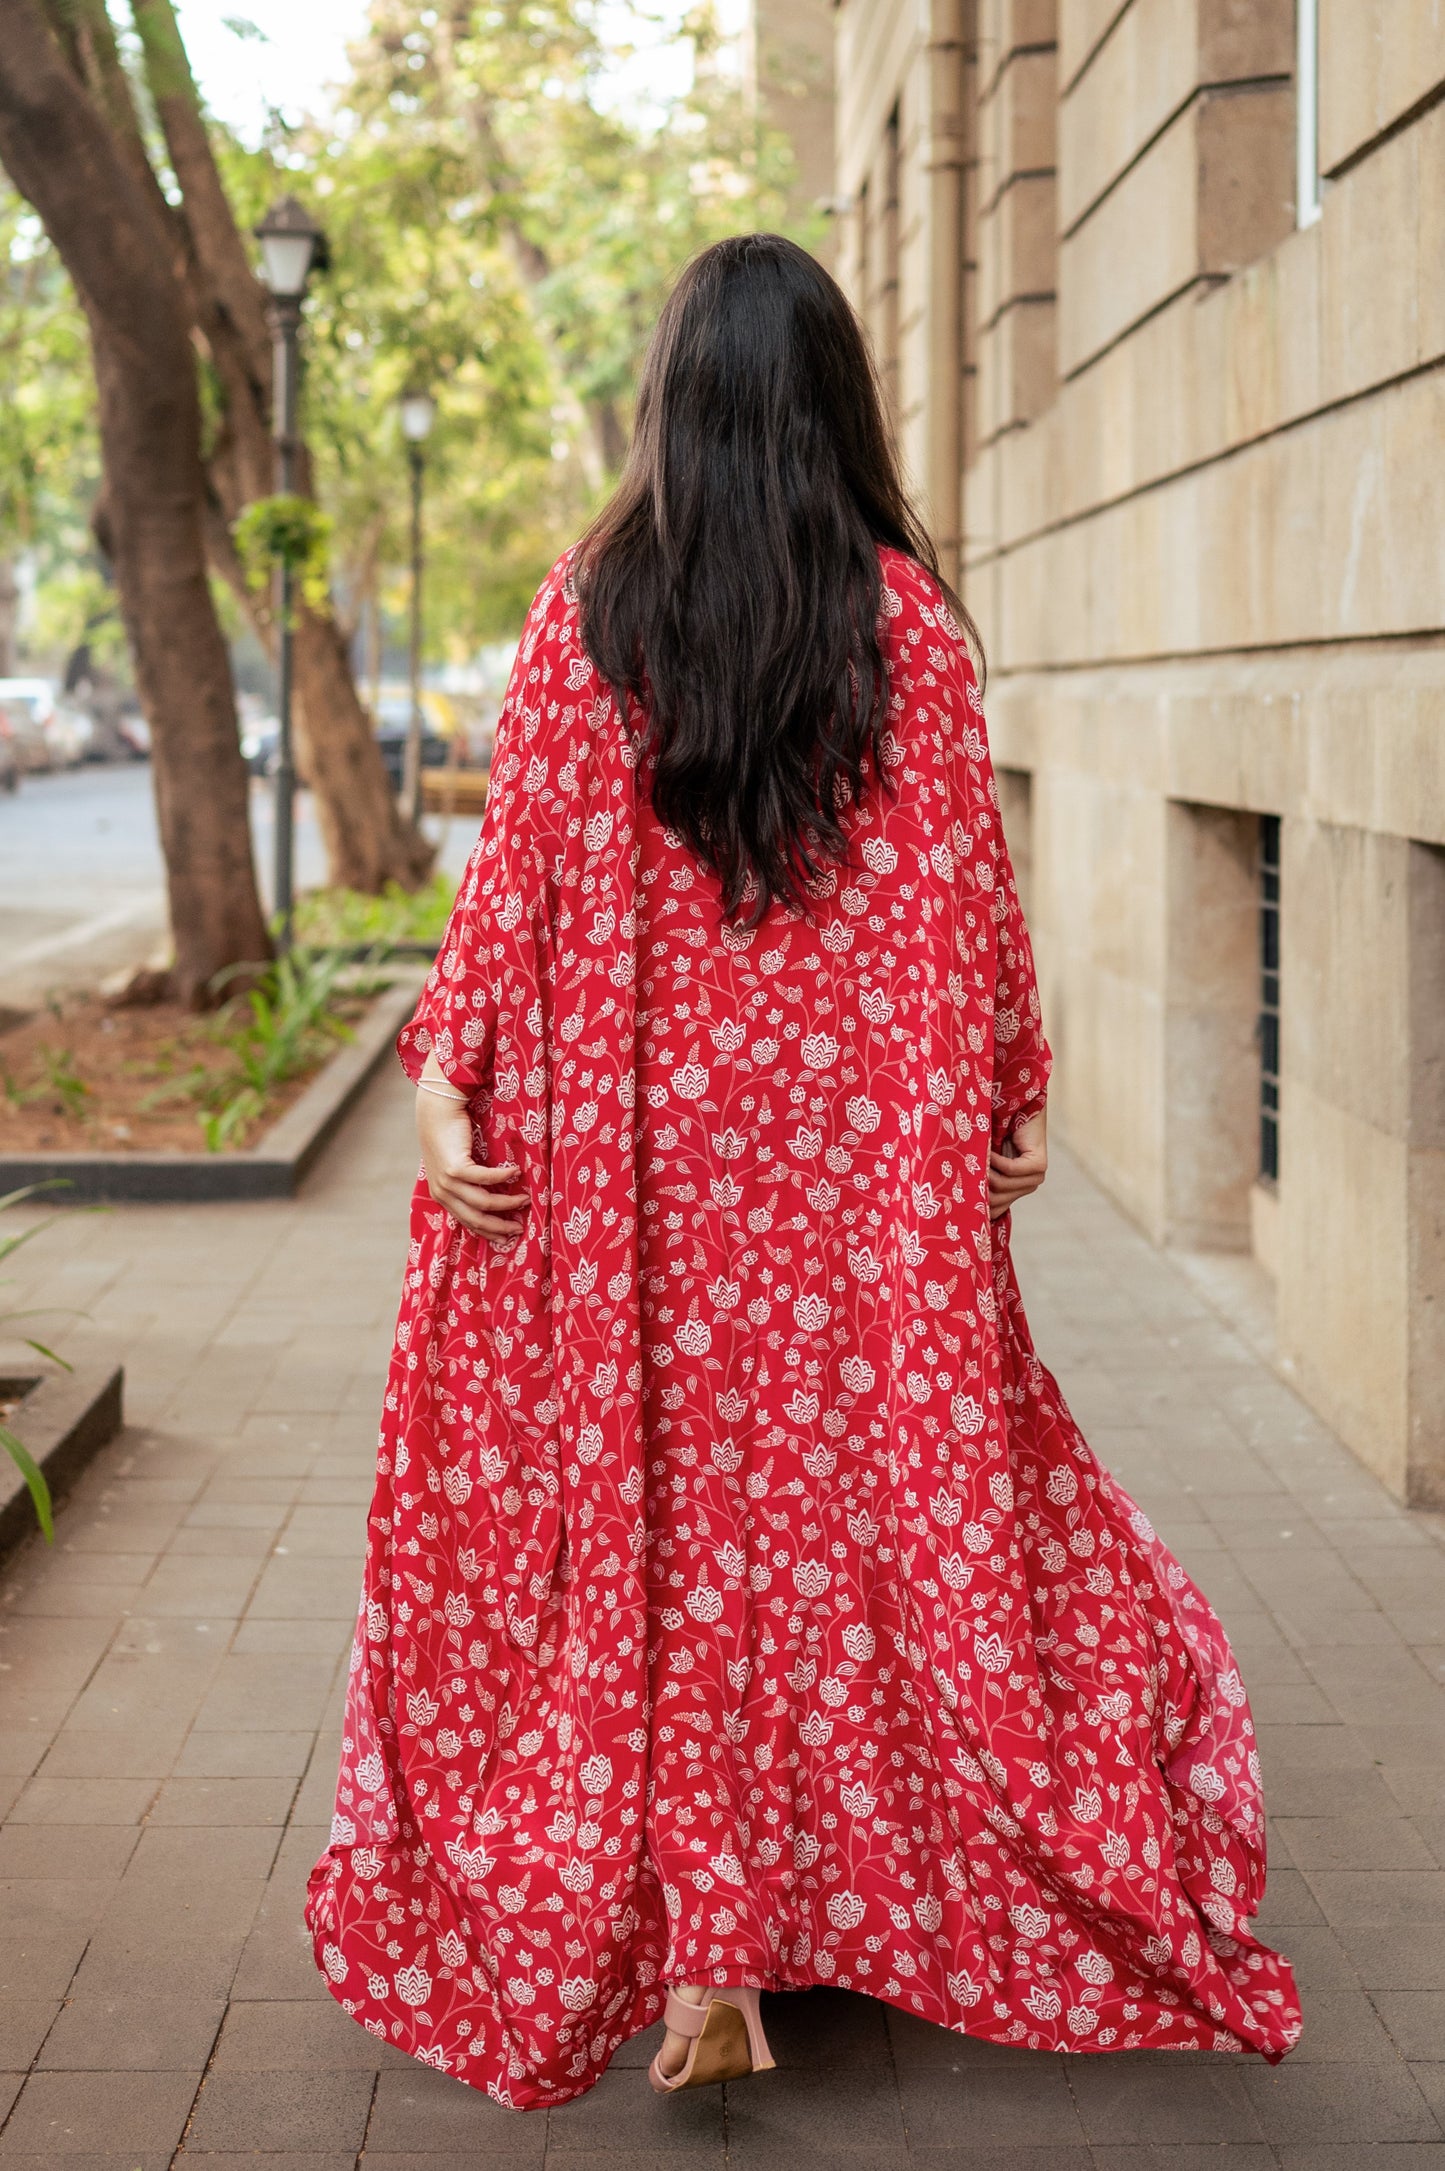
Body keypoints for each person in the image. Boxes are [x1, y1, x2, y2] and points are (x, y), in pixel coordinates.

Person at [306, 233, 1301, 2107]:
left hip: (633, 1197)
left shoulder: (589, 613)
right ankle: (794, 1906)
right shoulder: (905, 624)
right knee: (848, 1524)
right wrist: (1001, 1097)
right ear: (834, 401)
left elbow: (509, 887)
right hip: (844, 1199)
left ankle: (708, 1933)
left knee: (662, 1532)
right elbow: (964, 906)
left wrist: (452, 1092)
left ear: (671, 405)